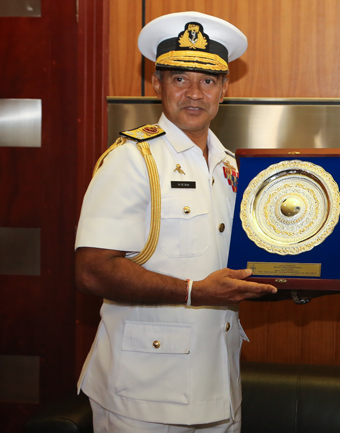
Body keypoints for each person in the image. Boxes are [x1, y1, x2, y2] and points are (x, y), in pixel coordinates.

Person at [75, 11, 277, 433]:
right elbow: (93, 271)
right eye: (179, 79)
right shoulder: (133, 159)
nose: (193, 94)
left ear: (224, 89)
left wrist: (305, 281)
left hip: (220, 387)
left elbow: (240, 268)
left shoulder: (233, 168)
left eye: (207, 81)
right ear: (157, 84)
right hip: (144, 395)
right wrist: (194, 291)